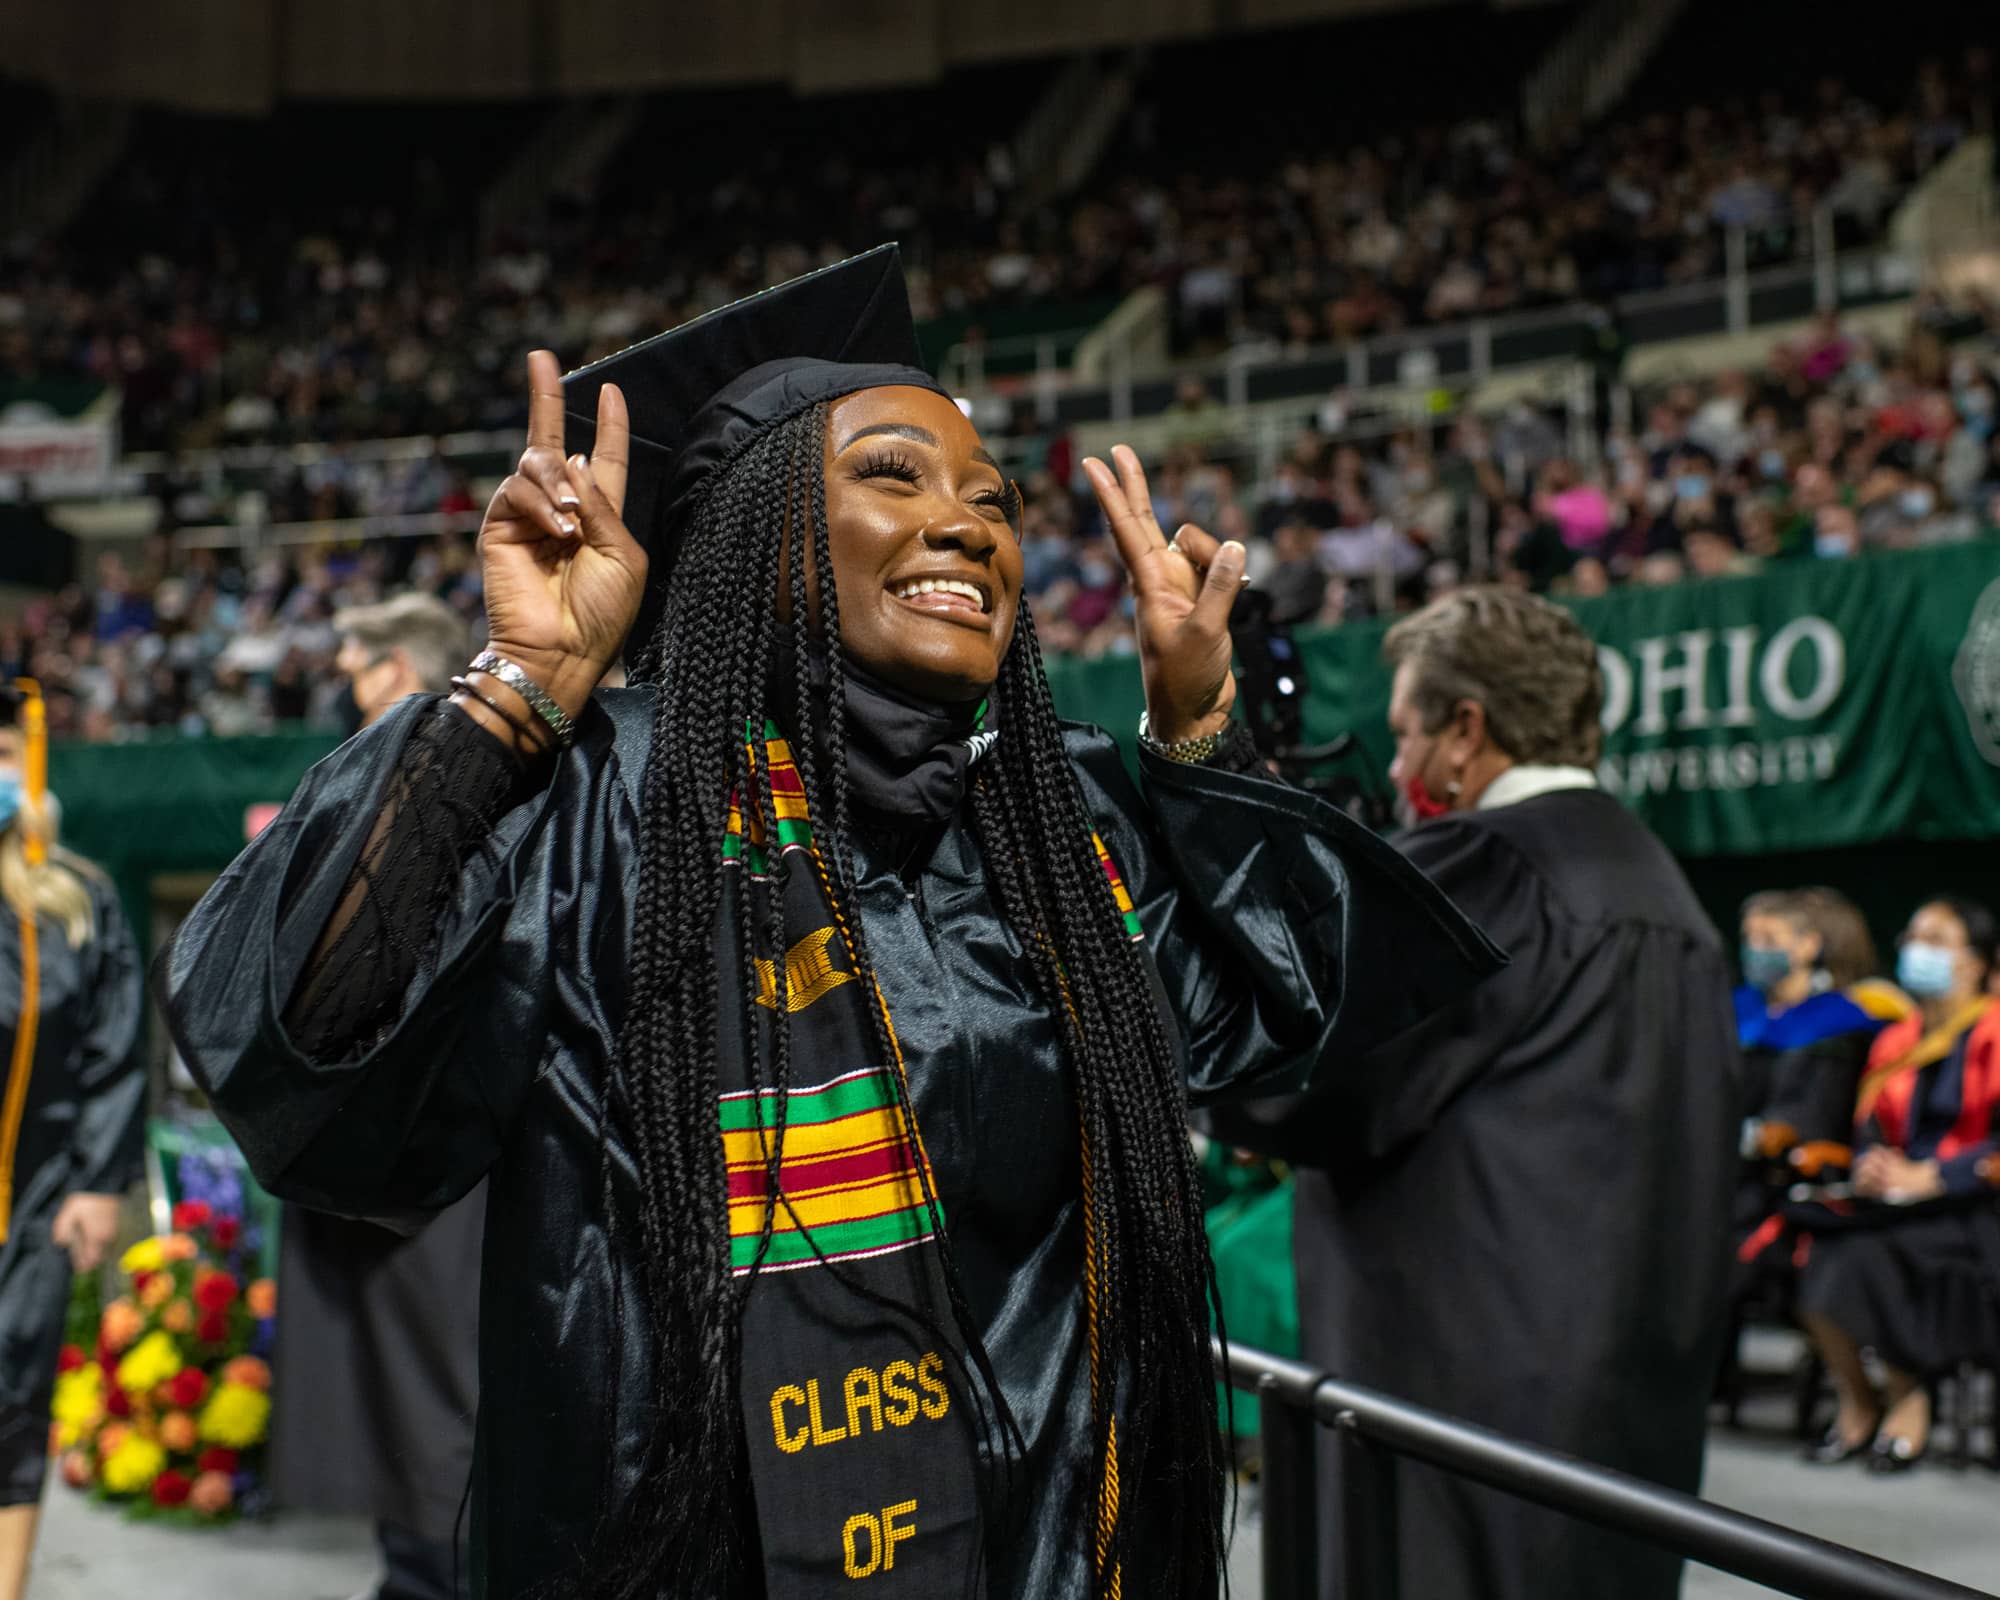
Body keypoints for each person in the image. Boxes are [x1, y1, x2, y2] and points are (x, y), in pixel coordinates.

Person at [158, 248, 1497, 1599]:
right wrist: (523, 685)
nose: (970, 522)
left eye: (994, 498)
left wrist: (1199, 740)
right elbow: (307, 1048)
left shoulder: (1050, 827)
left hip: (1037, 1556)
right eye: (894, 476)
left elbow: (1288, 1005)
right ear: (757, 529)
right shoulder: (613, 800)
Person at [1209, 587, 1739, 1600]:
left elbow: (1294, 1083)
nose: (1397, 767)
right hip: (1622, 1410)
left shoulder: (1478, 868)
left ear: (1466, 729)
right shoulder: (1661, 888)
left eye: (1406, 733)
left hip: (1458, 1409)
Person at [276, 592, 483, 1600]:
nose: (349, 692)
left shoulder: (421, 778)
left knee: (432, 1427)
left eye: (358, 668)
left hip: (415, 1148)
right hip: (434, 1150)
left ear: (397, 669)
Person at [0, 682, 144, 1600]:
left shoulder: (76, 902)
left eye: (9, 757)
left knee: (11, 1395)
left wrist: (99, 1183)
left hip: (35, 1189)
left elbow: (115, 1047)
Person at [1797, 897, 2000, 1473]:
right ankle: (1860, 1399)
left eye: (1937, 939)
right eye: (1913, 934)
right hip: (1895, 1204)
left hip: (1974, 1208)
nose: (1917, 948)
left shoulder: (1994, 1031)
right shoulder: (1898, 1037)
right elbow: (1873, 1128)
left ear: (1975, 961)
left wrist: (1934, 1176)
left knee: (1866, 1252)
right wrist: (1872, 1164)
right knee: (1819, 1244)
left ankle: (1907, 1399)